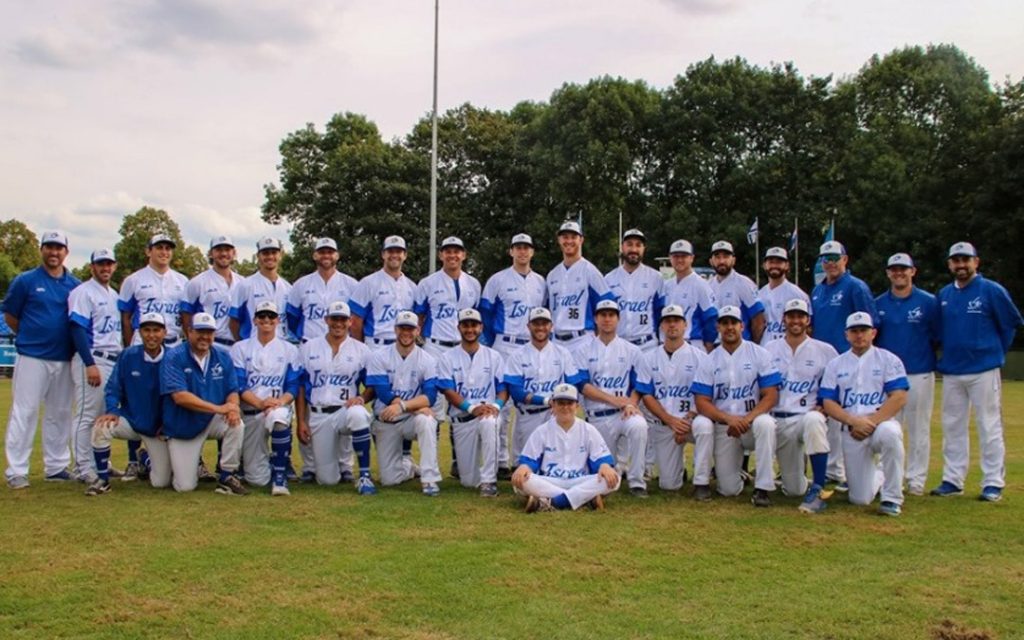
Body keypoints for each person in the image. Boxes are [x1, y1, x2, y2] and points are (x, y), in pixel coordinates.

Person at [931, 242, 1023, 502]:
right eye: (956, 261)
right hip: (952, 370)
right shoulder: (945, 294)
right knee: (952, 426)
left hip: (983, 369)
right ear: (950, 264)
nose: (961, 265)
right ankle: (952, 479)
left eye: (965, 260)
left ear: (976, 262)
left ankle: (993, 482)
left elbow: (1010, 324)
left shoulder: (991, 290)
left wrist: (994, 352)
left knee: (989, 424)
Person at [3, 230, 81, 488]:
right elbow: (11, 316)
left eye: (59, 248)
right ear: (41, 249)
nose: (54, 252)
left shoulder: (75, 285)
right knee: (24, 412)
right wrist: (31, 336)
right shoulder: (25, 281)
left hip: (64, 357)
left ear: (66, 252)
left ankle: (56, 466)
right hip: (32, 356)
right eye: (49, 247)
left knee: (60, 413)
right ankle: (16, 469)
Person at [820, 312, 908, 516]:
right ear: (847, 335)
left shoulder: (888, 359)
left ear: (873, 333)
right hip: (850, 429)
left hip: (881, 423)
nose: (859, 335)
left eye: (864, 331)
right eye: (854, 331)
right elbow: (828, 402)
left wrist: (871, 422)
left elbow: (899, 397)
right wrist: (852, 421)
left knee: (891, 435)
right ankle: (879, 476)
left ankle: (892, 498)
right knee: (860, 499)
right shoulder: (836, 364)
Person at [286, 237, 359, 482]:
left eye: (330, 251)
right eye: (321, 252)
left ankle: (345, 465)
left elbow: (356, 319)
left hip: (343, 350)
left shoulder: (350, 283)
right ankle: (308, 465)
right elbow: (293, 318)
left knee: (346, 401)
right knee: (307, 405)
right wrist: (303, 342)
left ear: (337, 255)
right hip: (310, 347)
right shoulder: (301, 284)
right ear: (315, 255)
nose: (326, 255)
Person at [693, 306, 780, 506]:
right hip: (726, 428)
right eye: (725, 323)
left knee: (766, 423)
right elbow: (701, 402)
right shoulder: (709, 359)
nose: (729, 327)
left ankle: (763, 488)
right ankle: (738, 474)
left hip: (752, 423)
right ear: (718, 327)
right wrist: (728, 419)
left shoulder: (760, 354)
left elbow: (770, 395)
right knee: (728, 490)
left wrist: (747, 419)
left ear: (742, 326)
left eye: (734, 323)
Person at [349, 235, 418, 477]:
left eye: (399, 251)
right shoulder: (368, 282)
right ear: (383, 254)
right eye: (390, 251)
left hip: (403, 348)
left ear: (405, 255)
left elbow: (418, 320)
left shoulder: (412, 286)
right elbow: (355, 321)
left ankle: (405, 458)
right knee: (379, 400)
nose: (394, 255)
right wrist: (360, 349)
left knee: (403, 397)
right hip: (376, 346)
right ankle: (386, 456)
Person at [479, 233, 547, 479]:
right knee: (503, 404)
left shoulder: (541, 282)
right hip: (504, 344)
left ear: (532, 252)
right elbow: (485, 316)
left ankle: (525, 458)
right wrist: (488, 344)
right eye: (517, 247)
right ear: (511, 252)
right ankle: (500, 461)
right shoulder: (497, 280)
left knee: (527, 404)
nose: (522, 252)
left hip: (530, 346)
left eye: (526, 248)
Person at [414, 235, 482, 477]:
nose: (452, 255)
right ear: (441, 255)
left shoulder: (473, 284)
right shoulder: (428, 283)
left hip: (462, 346)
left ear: (464, 255)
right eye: (447, 251)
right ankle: (430, 463)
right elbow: (418, 317)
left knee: (460, 401)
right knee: (434, 405)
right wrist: (419, 343)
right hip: (435, 347)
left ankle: (456, 461)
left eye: (457, 251)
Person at [810, 240, 876, 488]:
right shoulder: (818, 290)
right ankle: (834, 470)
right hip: (825, 362)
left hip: (852, 360)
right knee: (830, 416)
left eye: (835, 258)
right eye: (826, 259)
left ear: (845, 259)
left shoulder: (856, 287)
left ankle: (855, 473)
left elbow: (871, 322)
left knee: (853, 415)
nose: (830, 263)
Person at [764, 299, 838, 513]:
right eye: (791, 316)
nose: (796, 320)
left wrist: (824, 406)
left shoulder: (825, 350)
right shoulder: (769, 349)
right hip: (777, 417)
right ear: (784, 319)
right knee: (794, 489)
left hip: (805, 417)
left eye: (800, 316)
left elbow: (835, 385)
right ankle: (798, 483)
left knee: (814, 421)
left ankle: (818, 488)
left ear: (807, 320)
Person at [160, 312, 247, 494]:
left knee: (236, 424)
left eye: (209, 332)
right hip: (183, 424)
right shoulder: (174, 356)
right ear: (189, 331)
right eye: (200, 331)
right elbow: (180, 397)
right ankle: (149, 458)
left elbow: (232, 389)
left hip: (211, 420)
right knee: (184, 486)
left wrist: (232, 408)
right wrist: (220, 408)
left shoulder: (222, 357)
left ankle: (227, 475)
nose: (205, 337)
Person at [295, 301, 377, 495]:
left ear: (350, 322)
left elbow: (373, 384)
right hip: (318, 414)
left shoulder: (361, 349)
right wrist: (300, 421)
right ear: (326, 320)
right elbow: (300, 387)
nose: (338, 324)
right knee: (328, 480)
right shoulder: (309, 348)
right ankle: (332, 470)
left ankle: (364, 476)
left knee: (359, 414)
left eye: (343, 319)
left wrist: (362, 398)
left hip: (344, 411)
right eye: (334, 319)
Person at [874, 253, 940, 496]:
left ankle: (916, 480)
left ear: (913, 271)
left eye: (903, 269)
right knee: (887, 427)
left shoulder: (928, 302)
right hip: (888, 378)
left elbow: (937, 336)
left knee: (918, 428)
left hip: (919, 371)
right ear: (888, 273)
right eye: (894, 269)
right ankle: (888, 478)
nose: (898, 273)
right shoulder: (879, 303)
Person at [634, 305, 714, 499]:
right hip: (664, 424)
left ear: (685, 325)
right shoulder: (648, 357)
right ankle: (678, 470)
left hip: (692, 420)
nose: (672, 325)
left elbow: (706, 395)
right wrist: (671, 421)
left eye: (676, 320)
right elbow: (647, 395)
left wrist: (687, 419)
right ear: (661, 326)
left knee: (705, 427)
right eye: (668, 321)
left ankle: (701, 481)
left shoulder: (700, 357)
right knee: (669, 485)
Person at [85, 313, 167, 496]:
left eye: (156, 330)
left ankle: (144, 458)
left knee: (162, 481)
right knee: (101, 427)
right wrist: (113, 410)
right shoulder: (128, 356)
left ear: (164, 333)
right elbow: (113, 388)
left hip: (159, 429)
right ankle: (103, 479)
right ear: (140, 332)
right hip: (131, 421)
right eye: (146, 330)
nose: (151, 335)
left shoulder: (172, 358)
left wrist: (169, 423)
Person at [575, 299, 649, 497]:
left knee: (639, 426)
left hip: (623, 414)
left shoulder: (632, 350)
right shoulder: (583, 350)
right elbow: (583, 385)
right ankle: (617, 472)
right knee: (603, 478)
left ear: (618, 319)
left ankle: (636, 481)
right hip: (596, 416)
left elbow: (640, 384)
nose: (607, 319)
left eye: (611, 315)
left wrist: (631, 404)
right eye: (603, 315)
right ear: (596, 319)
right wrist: (615, 400)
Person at [365, 310, 443, 496]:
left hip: (410, 418)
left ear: (418, 331)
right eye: (402, 328)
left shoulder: (428, 359)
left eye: (410, 329)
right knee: (389, 480)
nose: (406, 333)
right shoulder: (379, 356)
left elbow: (430, 396)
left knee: (427, 420)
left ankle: (429, 478)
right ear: (395, 330)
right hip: (386, 419)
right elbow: (382, 391)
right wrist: (415, 405)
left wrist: (403, 406)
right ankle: (408, 466)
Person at [512, 383, 619, 512]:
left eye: (570, 403)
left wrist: (604, 466)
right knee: (521, 481)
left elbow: (601, 460)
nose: (565, 407)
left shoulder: (588, 430)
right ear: (553, 405)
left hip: (579, 480)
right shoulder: (542, 430)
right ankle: (583, 499)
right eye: (561, 403)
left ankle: (551, 501)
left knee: (615, 479)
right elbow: (529, 461)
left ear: (577, 406)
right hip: (550, 481)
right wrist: (524, 467)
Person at [230, 301, 300, 496]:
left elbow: (293, 386)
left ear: (278, 320)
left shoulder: (290, 350)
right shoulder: (240, 348)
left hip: (277, 407)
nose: (266, 320)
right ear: (254, 320)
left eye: (271, 316)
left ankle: (280, 476)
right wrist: (261, 403)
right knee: (257, 480)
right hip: (251, 412)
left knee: (278, 416)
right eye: (262, 316)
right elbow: (239, 384)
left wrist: (279, 402)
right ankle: (268, 462)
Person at [502, 307, 587, 465]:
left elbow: (574, 384)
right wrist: (546, 400)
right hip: (528, 416)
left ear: (551, 326)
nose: (540, 327)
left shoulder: (563, 353)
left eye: (544, 323)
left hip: (555, 416)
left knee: (556, 463)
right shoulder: (517, 356)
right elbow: (516, 392)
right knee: (525, 469)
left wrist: (563, 403)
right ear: (528, 326)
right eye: (536, 323)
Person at [437, 309, 507, 497]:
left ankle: (489, 481)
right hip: (462, 419)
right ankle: (477, 478)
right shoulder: (447, 357)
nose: (470, 329)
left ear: (481, 328)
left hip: (488, 414)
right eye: (466, 325)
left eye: (474, 325)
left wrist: (497, 406)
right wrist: (472, 408)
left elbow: (503, 389)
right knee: (468, 481)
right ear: (459, 327)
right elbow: (448, 391)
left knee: (489, 422)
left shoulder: (494, 356)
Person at [68, 248, 123, 483]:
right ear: (92, 267)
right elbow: (76, 328)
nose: (105, 268)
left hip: (112, 358)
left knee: (101, 415)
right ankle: (83, 467)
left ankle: (100, 463)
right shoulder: (83, 292)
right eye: (101, 264)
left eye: (109, 263)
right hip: (93, 357)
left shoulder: (114, 294)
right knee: (86, 415)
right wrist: (89, 363)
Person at [545, 221, 615, 351]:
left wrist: (602, 337)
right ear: (559, 240)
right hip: (556, 341)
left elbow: (608, 303)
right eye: (565, 237)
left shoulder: (590, 271)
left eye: (573, 237)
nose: (569, 241)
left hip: (582, 340)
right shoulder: (552, 275)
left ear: (581, 240)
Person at [119, 233, 187, 348]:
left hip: (174, 343)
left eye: (168, 248)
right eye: (159, 248)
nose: (164, 252)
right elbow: (125, 318)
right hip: (143, 343)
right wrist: (131, 346)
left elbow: (186, 315)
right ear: (148, 251)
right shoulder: (133, 280)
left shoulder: (183, 281)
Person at [604, 228, 662, 351]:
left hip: (647, 345)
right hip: (617, 345)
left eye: (638, 245)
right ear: (622, 247)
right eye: (629, 244)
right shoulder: (609, 279)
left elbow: (660, 313)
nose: (634, 249)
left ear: (644, 248)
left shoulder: (656, 277)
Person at [181, 235, 244, 347]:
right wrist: (192, 342)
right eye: (219, 250)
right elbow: (186, 315)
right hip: (210, 344)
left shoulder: (243, 282)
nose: (223, 253)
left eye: (227, 250)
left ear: (234, 253)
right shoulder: (197, 282)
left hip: (237, 345)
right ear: (211, 253)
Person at [230, 237, 292, 342]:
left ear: (280, 255)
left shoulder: (288, 288)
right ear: (258, 256)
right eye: (265, 253)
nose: (270, 256)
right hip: (253, 346)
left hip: (282, 347)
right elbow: (234, 321)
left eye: (274, 252)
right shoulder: (245, 285)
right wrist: (243, 343)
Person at [660, 239, 718, 351]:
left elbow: (711, 318)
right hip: (667, 345)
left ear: (692, 258)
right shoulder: (667, 285)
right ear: (670, 258)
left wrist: (709, 343)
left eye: (684, 256)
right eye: (676, 256)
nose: (680, 260)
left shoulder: (701, 285)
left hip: (692, 343)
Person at [708, 240, 766, 343]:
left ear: (733, 260)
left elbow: (759, 321)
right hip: (716, 348)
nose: (721, 261)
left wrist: (752, 346)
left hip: (740, 345)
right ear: (711, 261)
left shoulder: (744, 283)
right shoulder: (708, 286)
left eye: (726, 257)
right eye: (717, 257)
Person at [757, 247, 810, 345]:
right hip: (765, 347)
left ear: (787, 265)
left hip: (789, 347)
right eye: (771, 262)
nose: (774, 265)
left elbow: (809, 327)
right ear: (764, 265)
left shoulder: (798, 294)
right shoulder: (760, 294)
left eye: (779, 262)